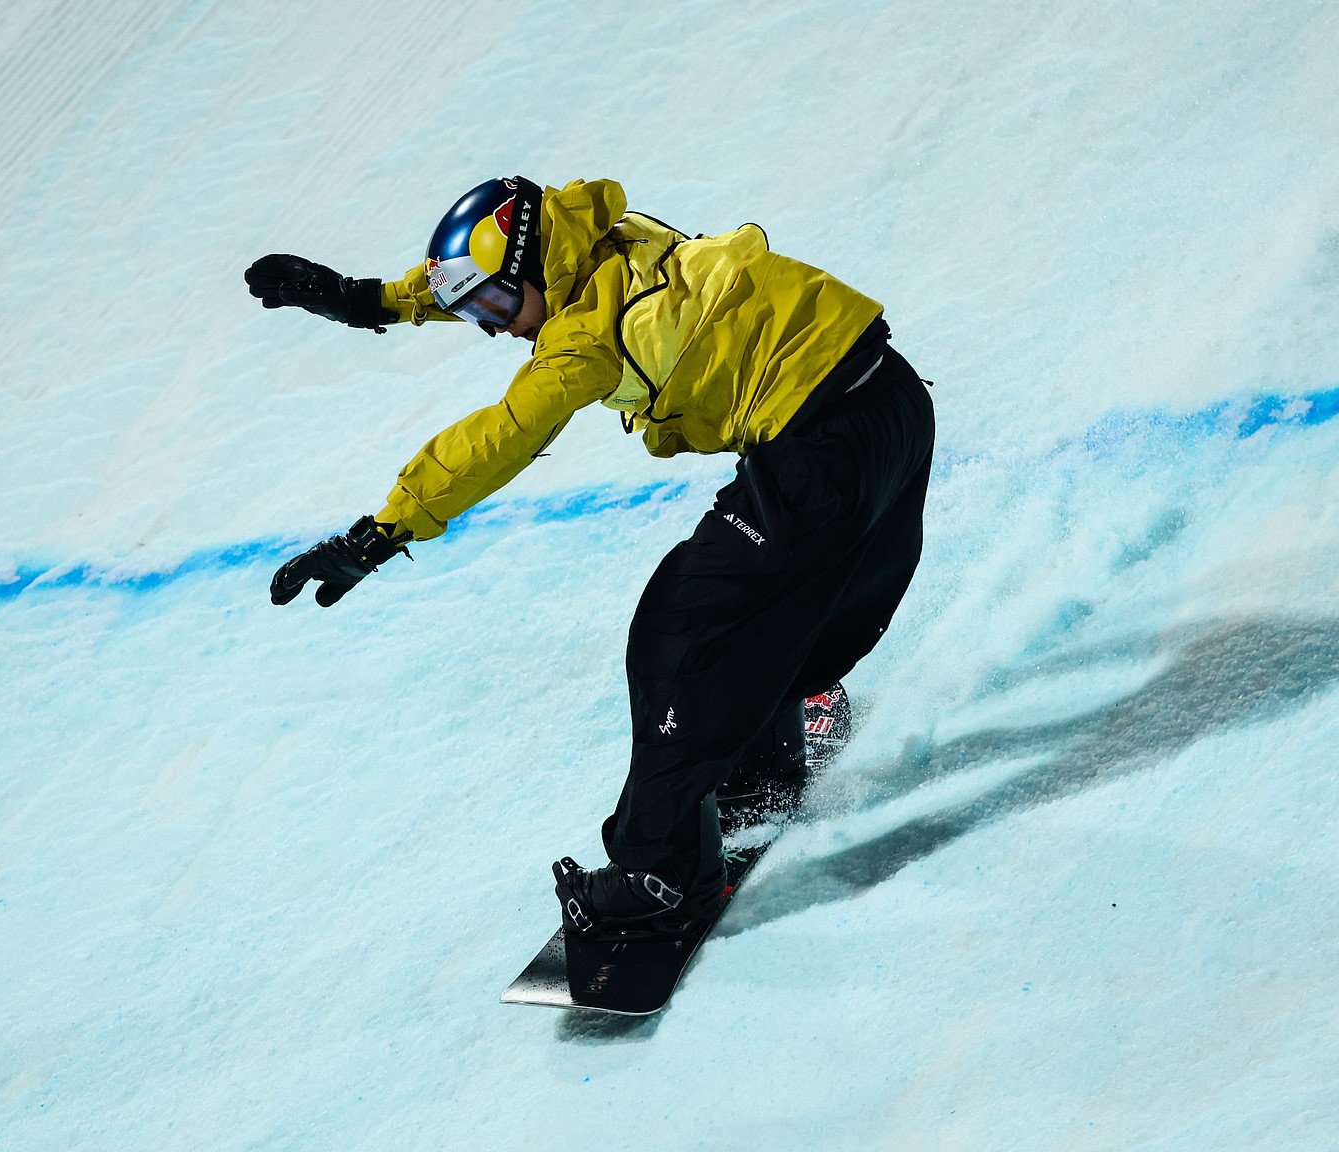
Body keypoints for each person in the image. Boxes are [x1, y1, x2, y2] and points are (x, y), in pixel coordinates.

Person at [247, 176, 934, 939]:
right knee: (769, 601)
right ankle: (759, 765)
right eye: (477, 314)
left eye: (500, 309)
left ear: (536, 272)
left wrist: (376, 535)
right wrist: (365, 300)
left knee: (680, 636)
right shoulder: (597, 234)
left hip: (823, 451)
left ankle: (659, 878)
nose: (498, 330)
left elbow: (499, 437)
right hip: (891, 404)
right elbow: (489, 274)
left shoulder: (581, 341)